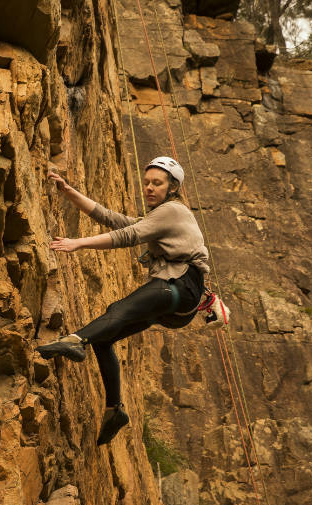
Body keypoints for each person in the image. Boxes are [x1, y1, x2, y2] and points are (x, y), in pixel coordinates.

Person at [36, 157, 210, 445]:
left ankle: (76, 341)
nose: (149, 188)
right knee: (105, 337)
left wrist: (77, 243)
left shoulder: (173, 211)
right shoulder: (160, 216)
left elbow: (128, 235)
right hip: (173, 300)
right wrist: (69, 192)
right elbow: (114, 219)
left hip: (180, 288)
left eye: (158, 183)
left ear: (173, 187)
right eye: (147, 183)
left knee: (117, 310)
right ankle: (114, 409)